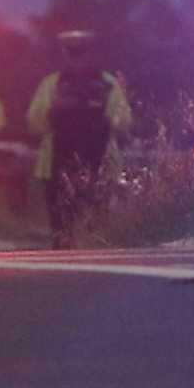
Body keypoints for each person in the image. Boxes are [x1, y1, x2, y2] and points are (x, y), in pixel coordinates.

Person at [27, 30, 132, 249]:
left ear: (65, 53)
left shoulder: (52, 84)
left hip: (56, 164)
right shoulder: (108, 84)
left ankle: (63, 256)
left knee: (61, 223)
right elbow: (123, 121)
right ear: (90, 53)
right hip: (101, 162)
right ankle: (96, 252)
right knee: (98, 219)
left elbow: (34, 121)